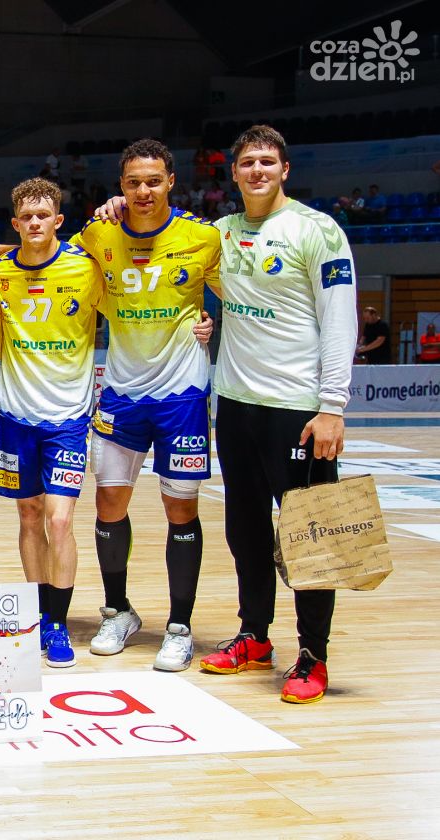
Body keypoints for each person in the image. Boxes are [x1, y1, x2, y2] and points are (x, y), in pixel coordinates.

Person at [0, 139, 221, 672]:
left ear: (172, 181)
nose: (143, 190)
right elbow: (23, 252)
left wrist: (209, 322)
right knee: (101, 506)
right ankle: (114, 611)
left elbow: (241, 294)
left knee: (173, 508)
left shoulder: (202, 237)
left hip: (178, 395)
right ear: (120, 187)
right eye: (133, 183)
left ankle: (178, 626)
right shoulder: (92, 238)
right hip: (113, 399)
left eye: (152, 181)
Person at [197, 124, 358, 704]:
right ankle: (255, 636)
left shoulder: (317, 230)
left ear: (285, 169)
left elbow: (340, 318)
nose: (257, 171)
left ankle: (313, 654)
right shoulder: (220, 233)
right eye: (247, 163)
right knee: (245, 530)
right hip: (236, 405)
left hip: (298, 409)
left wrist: (332, 407)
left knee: (310, 535)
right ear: (234, 173)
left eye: (267, 161)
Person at [0, 178, 105, 667]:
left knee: (60, 519)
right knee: (30, 517)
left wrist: (198, 321)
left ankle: (58, 622)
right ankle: (36, 614)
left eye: (44, 216)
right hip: (15, 419)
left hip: (68, 420)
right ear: (15, 224)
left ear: (59, 221)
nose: (35, 224)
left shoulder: (86, 267)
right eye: (26, 217)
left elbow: (134, 306)